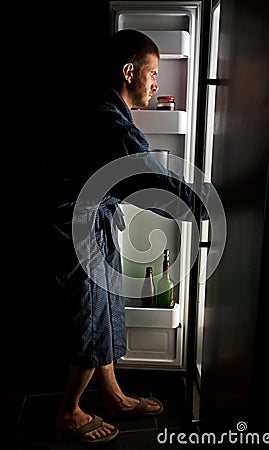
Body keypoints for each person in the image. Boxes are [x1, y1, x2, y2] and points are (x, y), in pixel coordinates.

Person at [49, 29, 195, 444]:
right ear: (129, 71)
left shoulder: (105, 108)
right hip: (76, 228)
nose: (156, 84)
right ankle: (69, 412)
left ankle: (112, 396)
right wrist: (199, 204)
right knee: (91, 316)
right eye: (153, 73)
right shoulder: (109, 118)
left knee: (108, 308)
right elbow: (149, 175)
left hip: (90, 221)